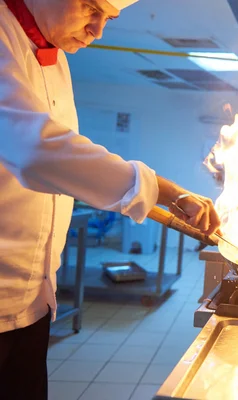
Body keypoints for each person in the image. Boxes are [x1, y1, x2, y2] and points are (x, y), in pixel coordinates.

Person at [0, 0, 220, 398]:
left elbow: (69, 153)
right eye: (90, 8)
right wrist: (166, 190)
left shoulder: (54, 58)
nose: (97, 30)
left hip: (31, 301)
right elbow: (36, 150)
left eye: (109, 18)